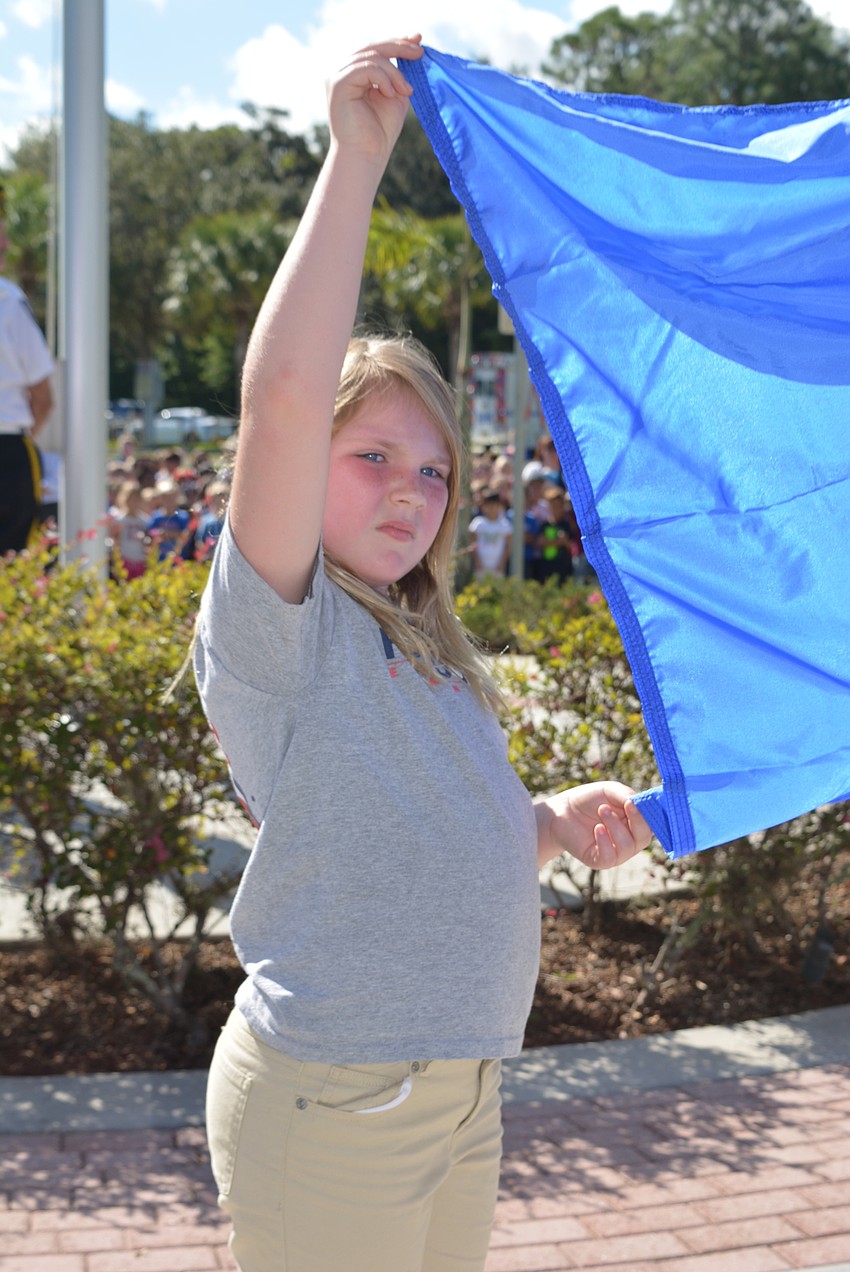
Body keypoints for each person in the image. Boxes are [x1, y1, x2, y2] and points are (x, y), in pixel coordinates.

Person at [193, 36, 651, 1272]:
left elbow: (419, 826)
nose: (413, 489)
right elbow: (284, 400)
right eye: (374, 457)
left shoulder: (427, 644)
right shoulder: (283, 628)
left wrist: (545, 822)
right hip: (338, 1099)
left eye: (437, 470)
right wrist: (357, 158)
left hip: (458, 1090)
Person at [0, 194, 54, 555]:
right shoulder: (7, 301)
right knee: (12, 566)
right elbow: (43, 398)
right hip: (8, 451)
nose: (6, 244)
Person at [469, 489, 512, 579]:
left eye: (494, 505)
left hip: (498, 568)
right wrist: (477, 562)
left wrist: (502, 563)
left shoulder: (505, 524)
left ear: (499, 506)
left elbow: (508, 546)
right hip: (480, 567)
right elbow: (473, 544)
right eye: (488, 505)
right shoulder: (477, 523)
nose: (491, 508)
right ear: (484, 506)